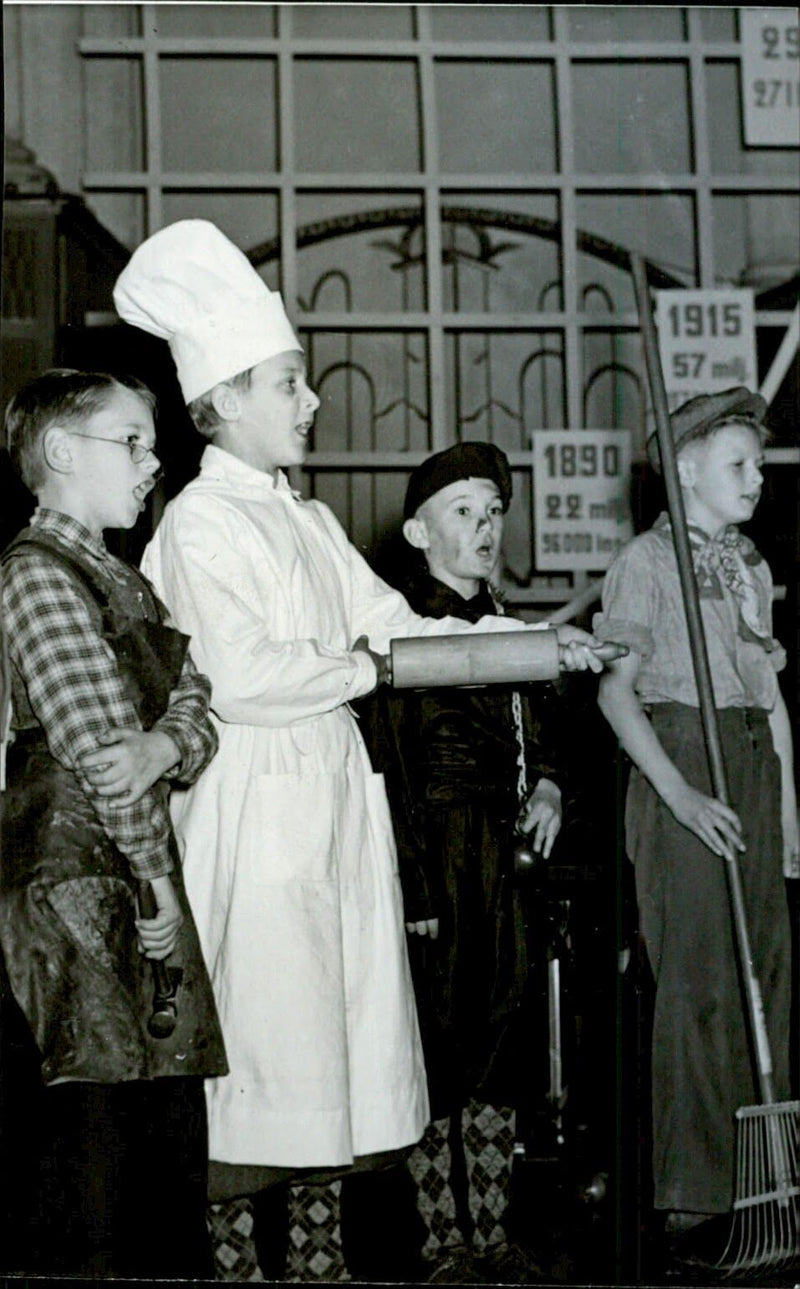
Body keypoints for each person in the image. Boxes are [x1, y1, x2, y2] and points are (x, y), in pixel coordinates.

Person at [112, 218, 607, 1281]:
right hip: (256, 809)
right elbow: (245, 678)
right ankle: (240, 1269)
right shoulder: (201, 524)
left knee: (332, 1046)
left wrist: (537, 645)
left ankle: (323, 1266)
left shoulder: (307, 519)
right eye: (289, 382)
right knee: (264, 1049)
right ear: (226, 399)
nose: (313, 400)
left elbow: (404, 623)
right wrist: (367, 668)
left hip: (331, 802)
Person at [0, 368, 228, 1278]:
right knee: (95, 1153)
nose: (152, 461)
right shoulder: (37, 575)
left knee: (153, 1138)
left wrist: (165, 745)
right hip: (79, 895)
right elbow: (102, 753)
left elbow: (199, 706)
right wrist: (158, 882)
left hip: (123, 880)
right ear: (61, 453)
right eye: (130, 441)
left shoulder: (119, 579)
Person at [593, 388, 797, 1264]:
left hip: (750, 762)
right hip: (680, 760)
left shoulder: (749, 565)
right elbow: (614, 692)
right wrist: (680, 797)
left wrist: (787, 816)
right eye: (738, 465)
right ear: (684, 471)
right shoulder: (647, 561)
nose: (756, 478)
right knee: (700, 987)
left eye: (758, 463)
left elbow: (770, 696)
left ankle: (769, 1182)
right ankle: (692, 1199)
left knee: (771, 981)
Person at [356, 440, 567, 1249]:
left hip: (508, 863)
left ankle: (493, 1235)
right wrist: (410, 887)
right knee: (438, 1044)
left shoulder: (513, 627)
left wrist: (548, 784)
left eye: (493, 512)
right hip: (436, 858)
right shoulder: (400, 633)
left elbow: (548, 737)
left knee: (504, 1041)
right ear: (417, 533)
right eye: (463, 512)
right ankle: (441, 1241)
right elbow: (389, 769)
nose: (485, 528)